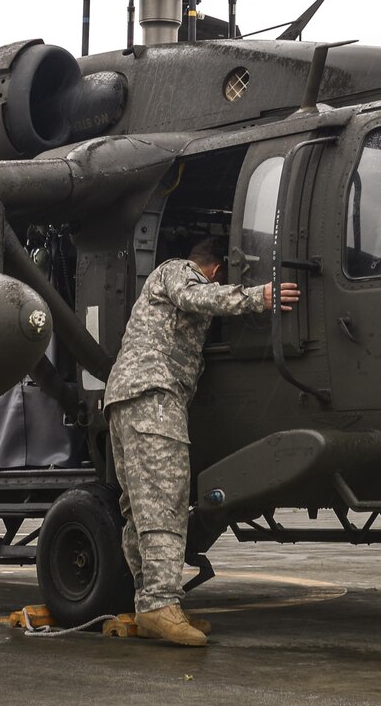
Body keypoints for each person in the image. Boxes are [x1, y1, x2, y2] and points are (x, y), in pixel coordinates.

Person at [103, 234, 299, 646]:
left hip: (128, 397)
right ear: (216, 270)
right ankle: (160, 603)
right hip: (153, 395)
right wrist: (257, 297)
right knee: (164, 501)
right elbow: (199, 298)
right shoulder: (179, 271)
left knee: (139, 509)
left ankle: (148, 605)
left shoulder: (162, 287)